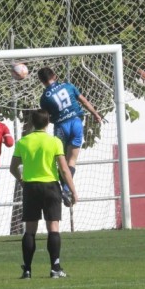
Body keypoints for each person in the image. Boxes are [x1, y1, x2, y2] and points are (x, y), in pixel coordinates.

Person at [10, 109, 77, 279]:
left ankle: (27, 270)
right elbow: (63, 169)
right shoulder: (54, 141)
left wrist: (22, 180)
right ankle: (55, 268)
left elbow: (13, 168)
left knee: (30, 230)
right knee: (53, 228)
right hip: (50, 187)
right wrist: (73, 191)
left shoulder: (23, 142)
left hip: (31, 187)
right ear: (48, 123)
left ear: (32, 122)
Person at [37, 66, 102, 206]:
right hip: (76, 123)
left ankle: (62, 189)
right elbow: (83, 101)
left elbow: (45, 117)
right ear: (54, 75)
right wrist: (95, 114)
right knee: (71, 161)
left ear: (41, 81)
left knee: (60, 162)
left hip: (61, 127)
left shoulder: (44, 98)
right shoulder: (68, 86)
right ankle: (66, 190)